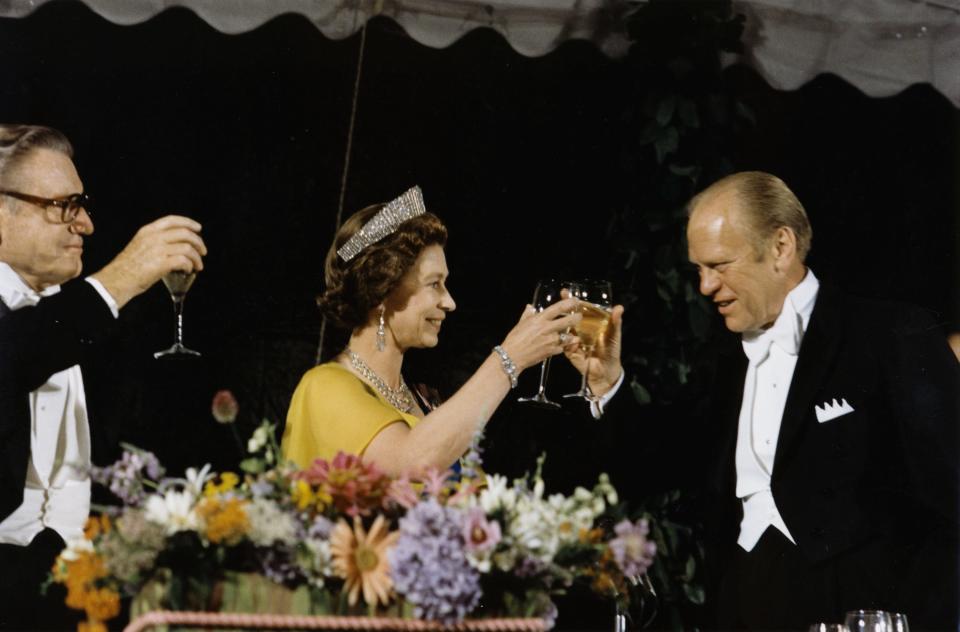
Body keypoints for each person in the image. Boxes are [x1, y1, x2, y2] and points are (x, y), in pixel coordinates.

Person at [581, 171, 959, 630]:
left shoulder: (890, 335)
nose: (704, 287)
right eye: (697, 269)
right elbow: (659, 469)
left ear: (781, 247)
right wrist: (607, 382)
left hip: (859, 610)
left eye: (719, 266)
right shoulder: (721, 356)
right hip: (743, 602)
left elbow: (950, 502)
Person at [0, 124, 207, 629]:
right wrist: (119, 279)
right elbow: (15, 352)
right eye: (64, 206)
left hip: (85, 593)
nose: (87, 225)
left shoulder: (85, 329)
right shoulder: (75, 318)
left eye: (83, 205)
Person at [281, 186, 580, 476]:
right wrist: (509, 358)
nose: (449, 302)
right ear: (381, 293)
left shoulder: (422, 398)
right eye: (434, 284)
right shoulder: (324, 386)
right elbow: (415, 460)